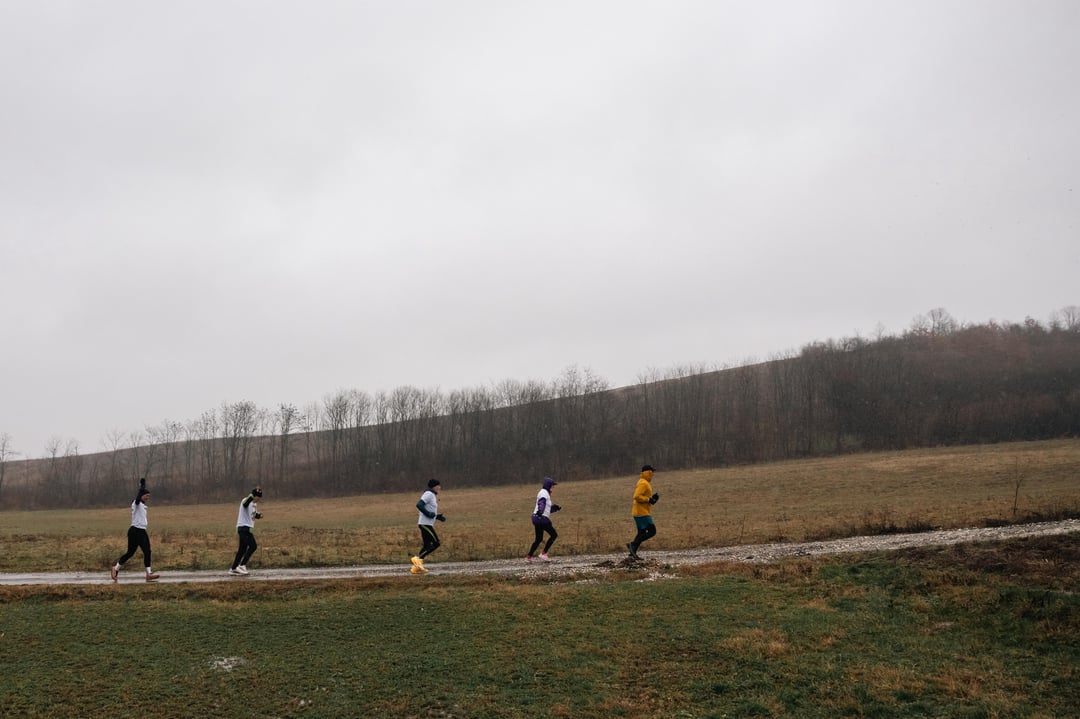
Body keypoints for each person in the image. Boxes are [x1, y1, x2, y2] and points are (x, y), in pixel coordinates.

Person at [110, 478, 160, 582]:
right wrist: (142, 486)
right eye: (146, 496)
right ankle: (115, 568)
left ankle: (148, 574)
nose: (148, 498)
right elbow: (138, 499)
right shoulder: (136, 503)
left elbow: (140, 497)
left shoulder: (143, 506)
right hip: (135, 531)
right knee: (131, 553)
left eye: (149, 496)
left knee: (147, 551)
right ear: (141, 495)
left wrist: (143, 487)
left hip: (142, 531)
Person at [411, 479, 445, 574]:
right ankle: (417, 559)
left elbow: (430, 510)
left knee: (427, 546)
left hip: (427, 523)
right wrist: (428, 514)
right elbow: (419, 505)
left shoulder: (432, 495)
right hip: (425, 524)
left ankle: (416, 568)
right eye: (438, 486)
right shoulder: (428, 494)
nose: (440, 487)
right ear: (434, 486)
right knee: (436, 543)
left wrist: (437, 516)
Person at [229, 486, 263, 576]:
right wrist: (251, 495)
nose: (259, 499)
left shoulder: (254, 505)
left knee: (242, 550)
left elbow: (252, 514)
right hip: (243, 528)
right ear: (254, 496)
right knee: (253, 546)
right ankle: (242, 565)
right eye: (258, 497)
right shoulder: (246, 500)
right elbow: (245, 504)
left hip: (248, 528)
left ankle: (233, 568)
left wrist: (259, 515)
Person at [627, 464, 659, 559]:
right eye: (652, 472)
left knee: (641, 533)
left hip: (639, 511)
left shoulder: (644, 482)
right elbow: (636, 496)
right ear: (648, 472)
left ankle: (632, 554)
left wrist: (652, 499)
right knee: (652, 531)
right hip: (641, 512)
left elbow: (643, 497)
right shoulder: (643, 483)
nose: (653, 474)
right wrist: (648, 499)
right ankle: (632, 544)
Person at [526, 477, 561, 562]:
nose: (553, 488)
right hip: (542, 519)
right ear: (548, 486)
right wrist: (540, 511)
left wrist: (555, 508)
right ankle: (544, 554)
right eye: (552, 486)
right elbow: (541, 503)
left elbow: (546, 509)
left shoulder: (544, 493)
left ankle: (529, 557)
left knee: (538, 539)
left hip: (537, 518)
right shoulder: (544, 493)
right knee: (554, 535)